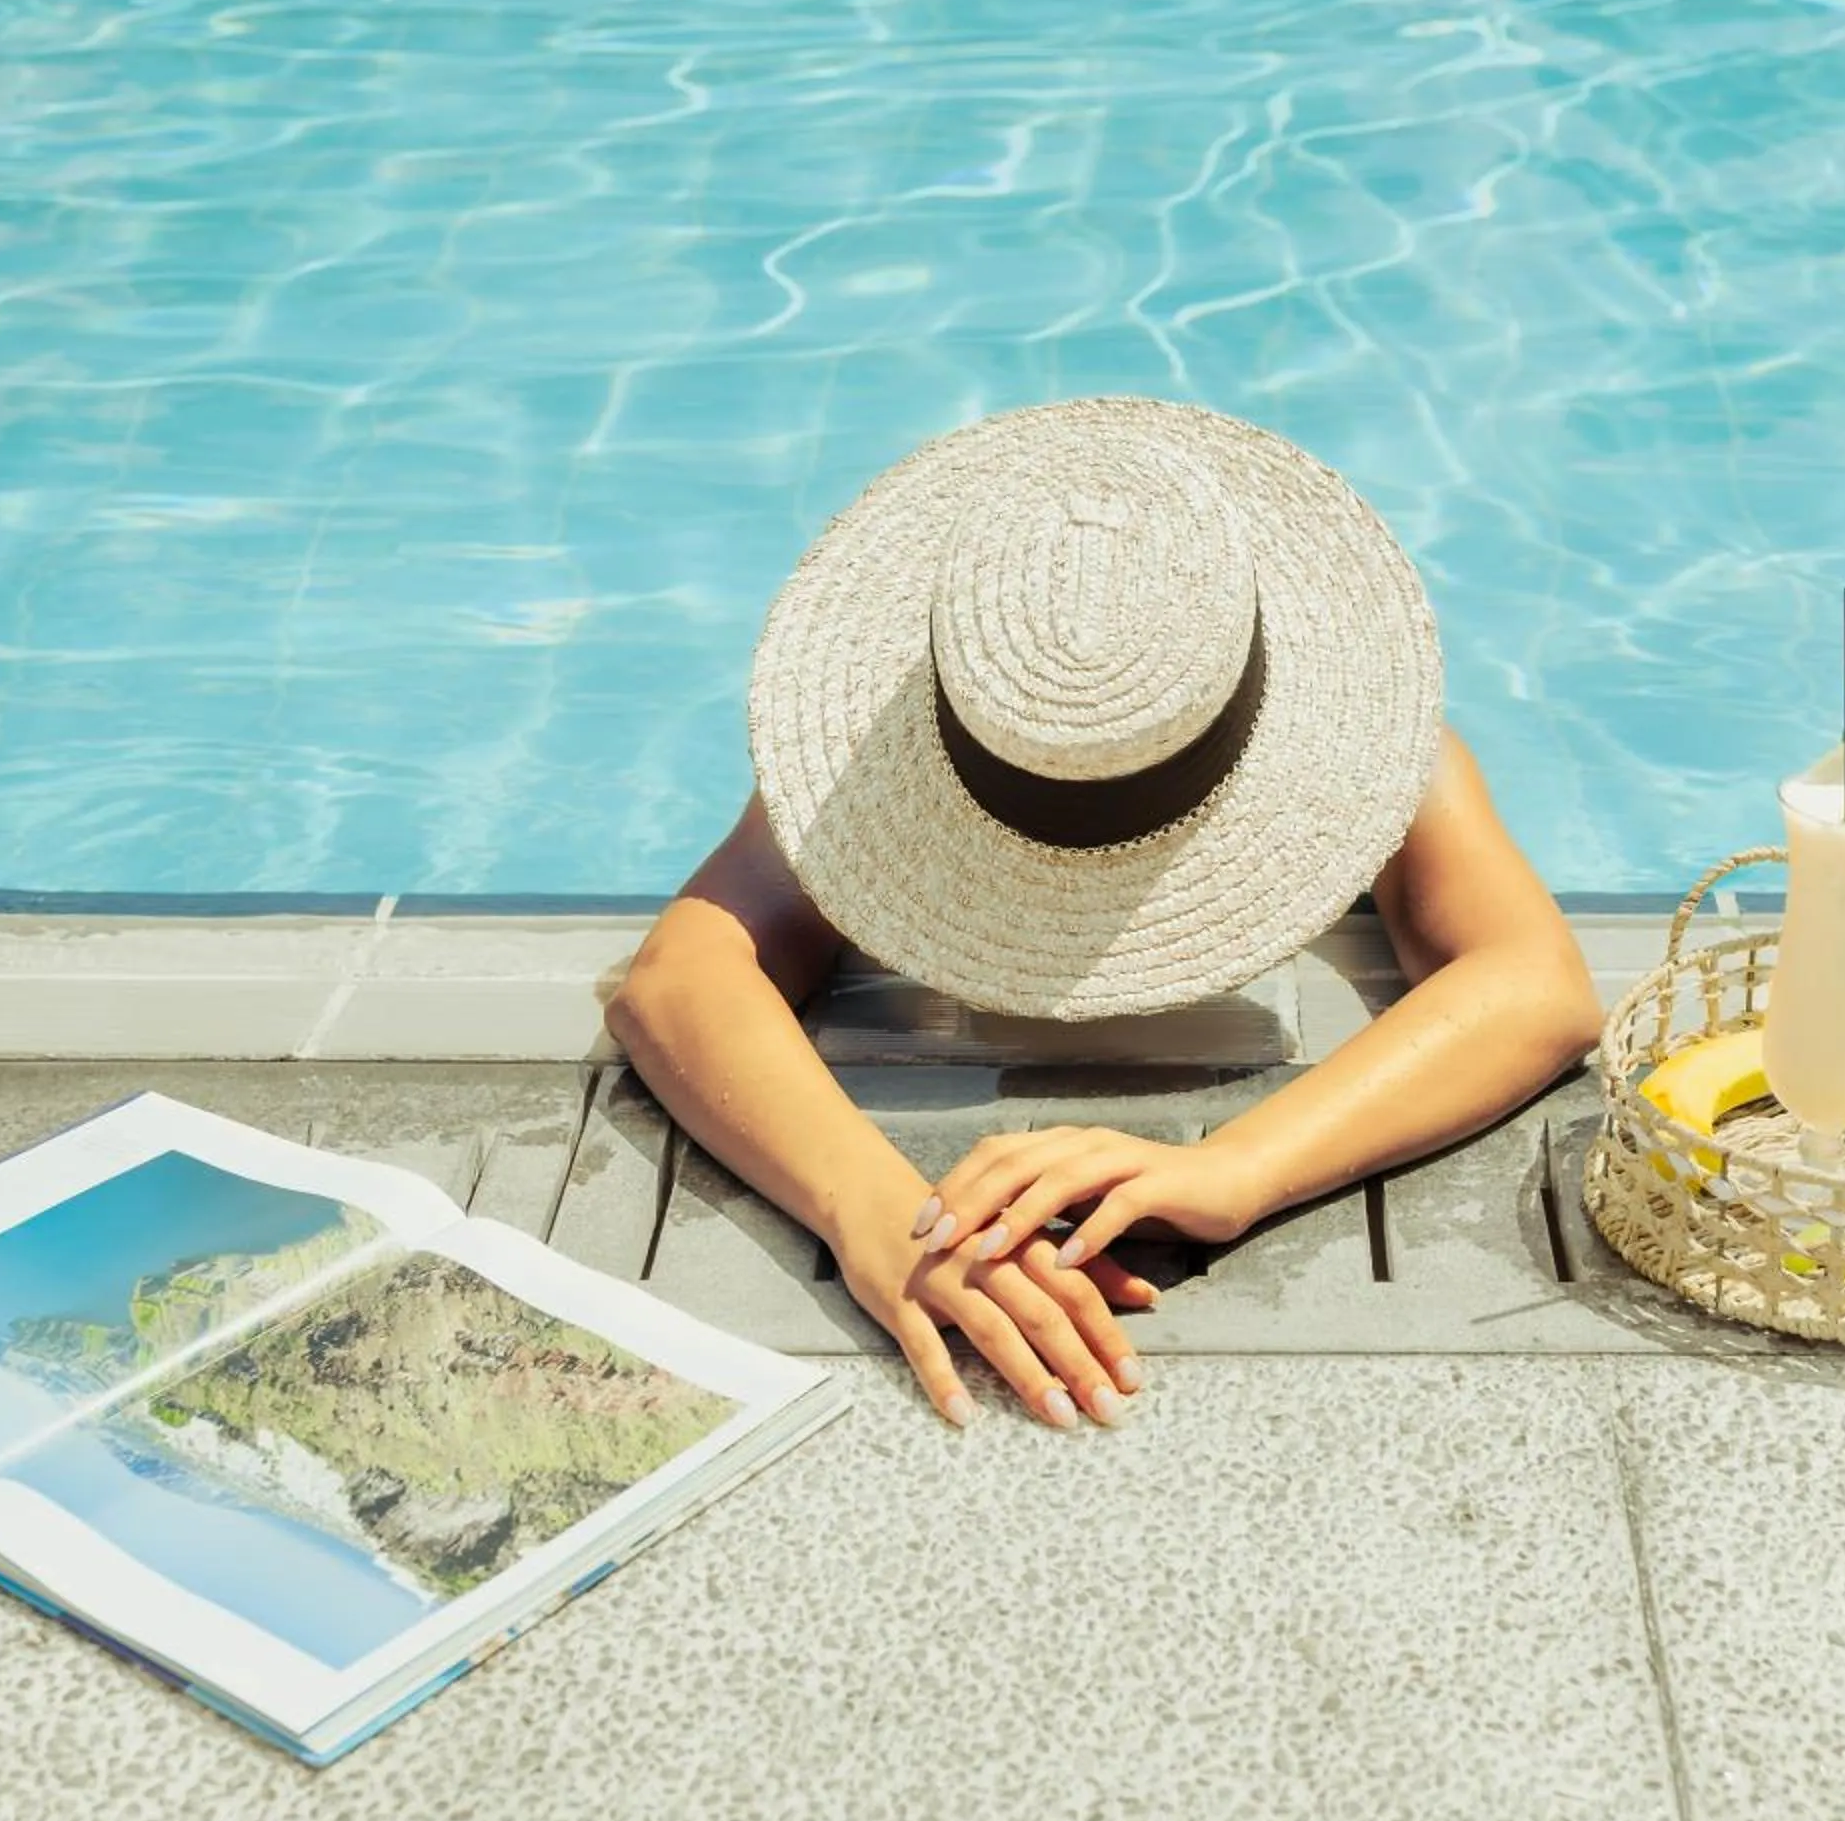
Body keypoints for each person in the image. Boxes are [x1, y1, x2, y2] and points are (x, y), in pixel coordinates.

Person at [606, 398, 1602, 1430]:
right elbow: (679, 979)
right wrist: (866, 1198)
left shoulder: (1374, 761)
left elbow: (1538, 987)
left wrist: (1241, 1164)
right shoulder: (894, 760)